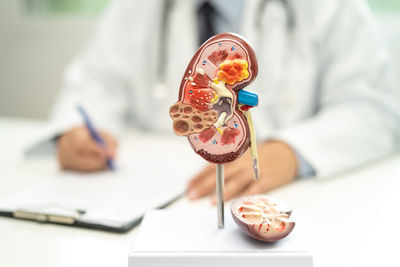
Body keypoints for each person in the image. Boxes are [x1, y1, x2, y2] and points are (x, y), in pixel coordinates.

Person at [51, 0, 399, 203]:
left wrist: (293, 152)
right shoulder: (139, 8)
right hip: (156, 200)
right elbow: (94, 85)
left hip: (289, 200)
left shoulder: (330, 7)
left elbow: (373, 109)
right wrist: (77, 132)